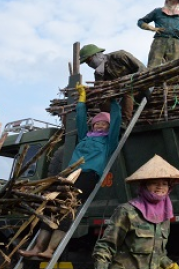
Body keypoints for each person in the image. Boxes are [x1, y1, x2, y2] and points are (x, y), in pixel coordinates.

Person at [20, 83, 121, 259]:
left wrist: (113, 102)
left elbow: (117, 121)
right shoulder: (85, 137)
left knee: (67, 209)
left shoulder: (108, 142)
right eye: (98, 123)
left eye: (104, 124)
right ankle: (37, 248)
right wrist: (81, 101)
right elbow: (81, 119)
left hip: (88, 175)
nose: (100, 126)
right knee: (51, 207)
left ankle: (50, 250)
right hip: (70, 175)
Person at [90, 155, 179, 269]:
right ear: (144, 186)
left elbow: (157, 253)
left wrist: (172, 268)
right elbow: (105, 247)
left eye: (164, 183)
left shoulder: (164, 217)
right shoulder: (127, 212)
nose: (160, 187)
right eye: (154, 183)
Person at [79, 44, 148, 124]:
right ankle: (113, 120)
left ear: (97, 55)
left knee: (127, 88)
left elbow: (143, 70)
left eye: (89, 60)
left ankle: (125, 121)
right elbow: (99, 91)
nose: (89, 64)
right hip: (120, 96)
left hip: (138, 87)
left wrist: (128, 79)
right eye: (87, 63)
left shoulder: (120, 56)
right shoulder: (98, 73)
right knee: (101, 99)